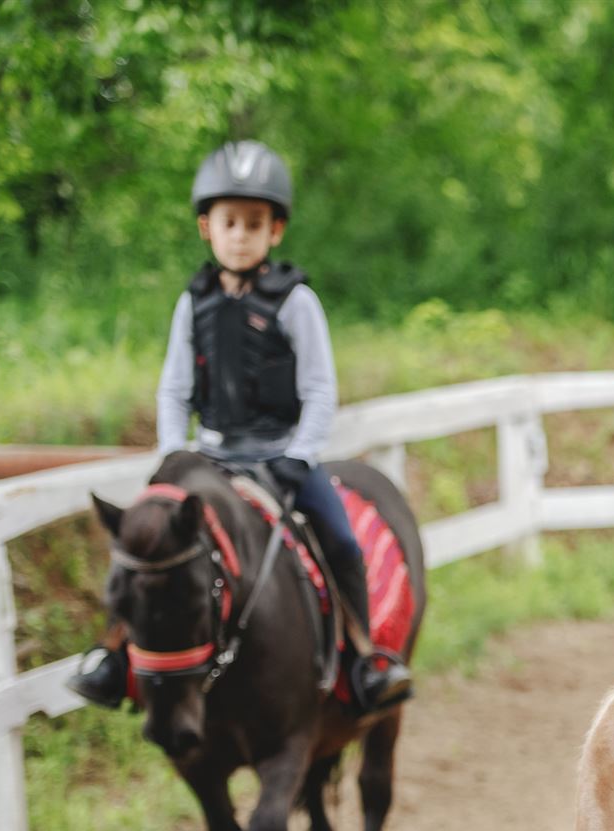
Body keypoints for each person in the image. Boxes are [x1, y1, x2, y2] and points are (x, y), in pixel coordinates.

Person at [67, 141, 412, 713]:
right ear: (208, 227)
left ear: (275, 231)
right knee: (142, 540)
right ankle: (113, 655)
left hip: (281, 457)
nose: (241, 235)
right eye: (230, 222)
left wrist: (301, 455)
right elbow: (175, 389)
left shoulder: (296, 301)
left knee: (342, 540)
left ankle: (363, 655)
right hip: (209, 461)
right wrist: (174, 453)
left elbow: (320, 389)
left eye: (255, 223)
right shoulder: (192, 302)